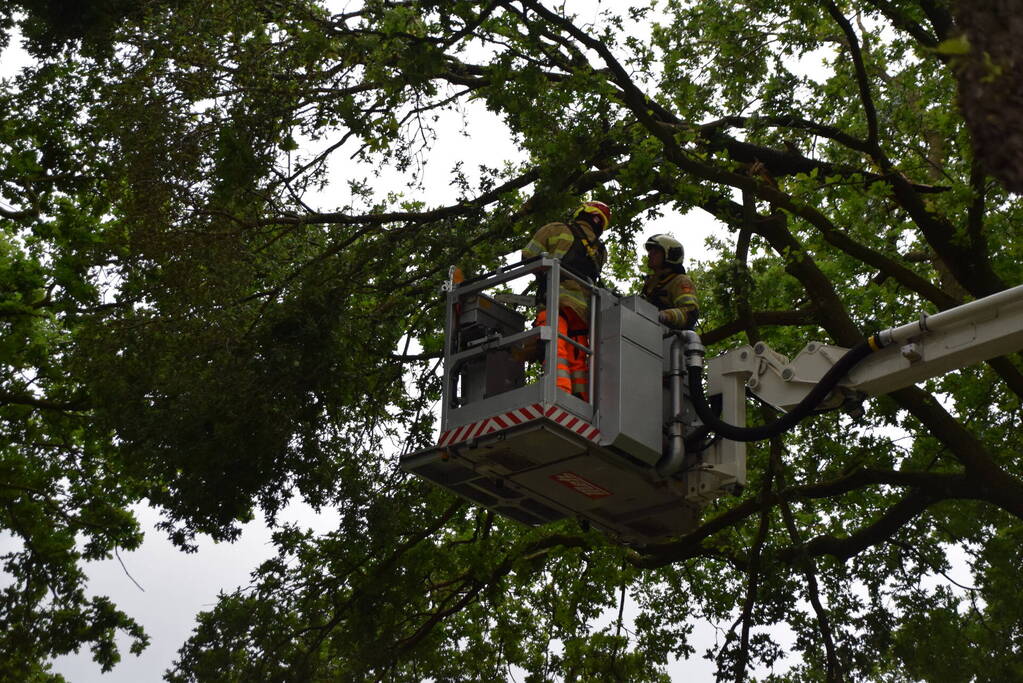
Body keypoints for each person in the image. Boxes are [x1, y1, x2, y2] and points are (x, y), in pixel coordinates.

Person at [521, 201, 610, 400]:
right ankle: (580, 398)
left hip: (556, 303)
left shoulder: (556, 229)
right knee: (578, 358)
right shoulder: (600, 251)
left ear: (581, 213)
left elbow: (528, 256)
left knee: (554, 346)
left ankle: (559, 393)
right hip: (583, 315)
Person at [641, 233, 699, 329]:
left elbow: (690, 313)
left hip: (672, 337)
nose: (649, 255)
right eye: (650, 251)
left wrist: (665, 315)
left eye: (655, 252)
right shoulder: (651, 284)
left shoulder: (680, 281)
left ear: (671, 255)